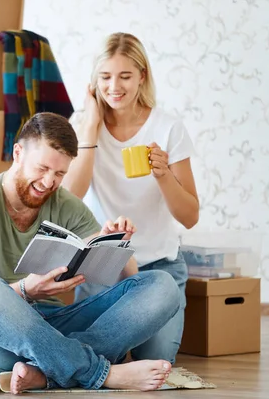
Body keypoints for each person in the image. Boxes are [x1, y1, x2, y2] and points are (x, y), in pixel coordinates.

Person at [0, 112, 182, 394]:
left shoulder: (65, 203)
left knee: (162, 285)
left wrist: (117, 244)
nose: (48, 182)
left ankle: (45, 374)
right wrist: (25, 290)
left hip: (54, 326)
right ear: (18, 153)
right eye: (41, 168)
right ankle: (99, 373)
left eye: (59, 174)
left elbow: (129, 276)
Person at [62, 32, 199, 365]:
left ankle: (98, 358)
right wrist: (91, 127)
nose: (114, 87)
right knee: (98, 350)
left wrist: (164, 174)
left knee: (153, 359)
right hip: (103, 262)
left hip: (159, 266)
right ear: (94, 83)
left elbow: (190, 216)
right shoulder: (81, 127)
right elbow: (70, 197)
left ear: (142, 76)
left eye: (125, 76)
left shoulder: (168, 127)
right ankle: (99, 358)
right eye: (105, 77)